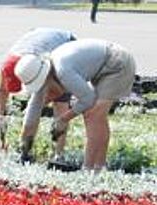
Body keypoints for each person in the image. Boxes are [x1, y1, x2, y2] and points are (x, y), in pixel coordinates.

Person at [14, 39, 136, 171]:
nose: (48, 93)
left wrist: (63, 119)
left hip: (117, 63)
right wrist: (24, 148)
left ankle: (88, 169)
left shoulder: (63, 71)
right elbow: (33, 109)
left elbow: (88, 99)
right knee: (96, 116)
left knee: (92, 113)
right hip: (106, 65)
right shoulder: (46, 69)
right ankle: (99, 167)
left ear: (45, 77)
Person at [0, 28, 76, 157]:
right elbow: (2, 90)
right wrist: (0, 117)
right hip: (39, 40)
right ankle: (26, 149)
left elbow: (54, 94)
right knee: (35, 106)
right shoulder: (7, 66)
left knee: (60, 104)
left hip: (64, 43)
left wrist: (33, 109)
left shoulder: (37, 66)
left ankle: (58, 154)